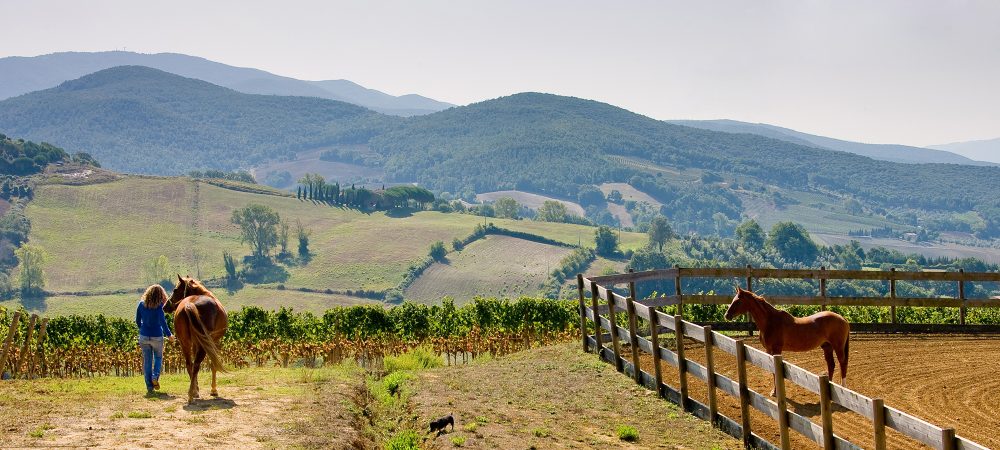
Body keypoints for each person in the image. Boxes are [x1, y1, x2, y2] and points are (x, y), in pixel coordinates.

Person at [136, 284, 174, 394]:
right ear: (161, 295)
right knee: (158, 357)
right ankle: (155, 376)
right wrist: (169, 335)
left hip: (143, 336)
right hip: (157, 336)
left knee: (147, 361)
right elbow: (163, 323)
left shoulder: (141, 305)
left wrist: (143, 329)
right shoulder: (159, 307)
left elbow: (138, 321)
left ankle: (149, 387)